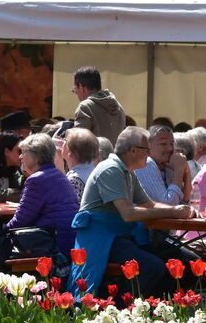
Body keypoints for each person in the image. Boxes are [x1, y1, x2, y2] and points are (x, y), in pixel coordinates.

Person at [69, 126, 195, 296]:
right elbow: (129, 214)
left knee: (182, 261)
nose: (149, 154)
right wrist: (173, 212)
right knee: (152, 267)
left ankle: (156, 309)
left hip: (118, 236)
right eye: (147, 149)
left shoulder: (127, 171)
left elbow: (148, 204)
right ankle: (122, 309)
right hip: (101, 239)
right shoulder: (110, 169)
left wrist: (180, 209)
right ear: (134, 150)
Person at [7, 133, 79, 254]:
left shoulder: (36, 180)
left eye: (24, 152)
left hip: (50, 246)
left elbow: (20, 221)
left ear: (37, 157)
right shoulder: (60, 176)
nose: (20, 157)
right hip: (67, 242)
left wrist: (3, 231)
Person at [135, 124, 190, 205]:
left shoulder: (167, 166)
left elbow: (184, 202)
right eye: (163, 144)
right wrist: (179, 169)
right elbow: (168, 205)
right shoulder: (146, 163)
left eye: (172, 143)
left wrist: (186, 172)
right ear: (148, 146)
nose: (170, 148)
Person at [71, 66, 127, 141]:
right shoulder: (118, 106)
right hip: (114, 153)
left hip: (94, 152)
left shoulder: (85, 107)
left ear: (81, 87)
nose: (76, 93)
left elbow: (78, 141)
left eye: (75, 89)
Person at [62, 126, 100, 200]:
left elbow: (73, 209)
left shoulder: (74, 181)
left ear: (72, 153)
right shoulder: (96, 172)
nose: (63, 143)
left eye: (66, 141)